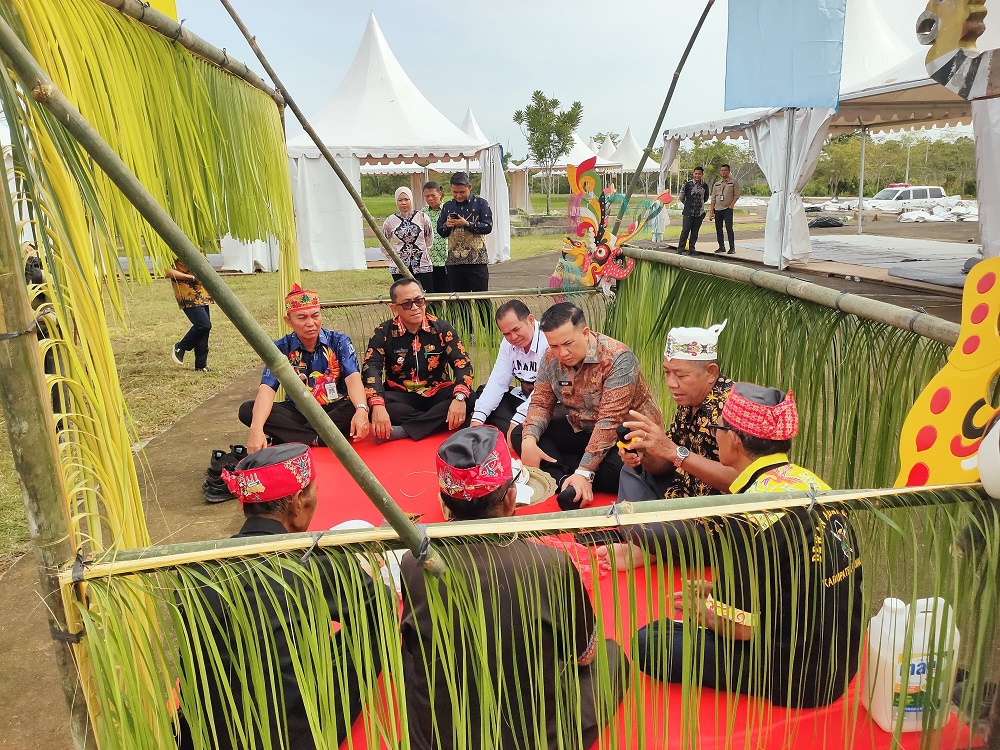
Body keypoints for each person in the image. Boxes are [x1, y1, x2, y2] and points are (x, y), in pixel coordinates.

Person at [617, 384, 863, 709]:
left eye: (717, 429)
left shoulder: (748, 516)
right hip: (839, 663)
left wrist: (702, 615)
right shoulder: (811, 482)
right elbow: (796, 576)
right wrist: (716, 591)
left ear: (733, 439)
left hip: (799, 677)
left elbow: (740, 630)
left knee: (652, 641)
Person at [399, 426, 628, 750]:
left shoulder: (414, 561)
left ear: (445, 503)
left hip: (441, 738)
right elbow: (584, 655)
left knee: (412, 657)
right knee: (612, 656)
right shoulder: (550, 565)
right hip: (532, 738)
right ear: (510, 498)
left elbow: (412, 645)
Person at [177, 444, 383, 749]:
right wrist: (361, 574)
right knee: (374, 628)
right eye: (312, 491)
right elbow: (378, 615)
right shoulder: (316, 566)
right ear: (297, 502)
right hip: (290, 734)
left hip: (211, 733)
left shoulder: (197, 571)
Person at [512, 302, 662, 506]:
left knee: (625, 469)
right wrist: (530, 440)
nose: (562, 353)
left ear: (584, 333)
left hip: (624, 438)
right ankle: (567, 481)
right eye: (554, 346)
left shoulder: (618, 358)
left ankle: (570, 476)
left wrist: (585, 471)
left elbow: (609, 421)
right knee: (520, 434)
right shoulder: (550, 358)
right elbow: (540, 403)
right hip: (582, 428)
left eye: (567, 343)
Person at [239, 284, 370, 452]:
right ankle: (318, 438)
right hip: (298, 411)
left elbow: (353, 379)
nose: (311, 323)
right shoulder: (280, 348)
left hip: (334, 409)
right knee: (247, 410)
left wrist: (361, 409)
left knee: (360, 403)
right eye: (302, 318)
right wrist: (256, 429)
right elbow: (267, 389)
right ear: (289, 321)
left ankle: (296, 435)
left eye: (315, 316)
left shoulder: (339, 341)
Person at [362, 278, 476, 441]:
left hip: (437, 392)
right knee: (375, 404)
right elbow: (371, 368)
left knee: (469, 397)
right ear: (394, 308)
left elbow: (462, 363)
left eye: (419, 301)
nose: (415, 307)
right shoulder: (383, 332)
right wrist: (378, 405)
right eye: (407, 303)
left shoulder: (442, 328)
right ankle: (437, 422)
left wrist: (459, 398)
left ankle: (406, 430)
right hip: (402, 395)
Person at [470, 300, 547, 440]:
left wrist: (517, 420)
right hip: (523, 399)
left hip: (546, 403)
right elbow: (498, 381)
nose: (513, 338)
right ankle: (513, 432)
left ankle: (514, 432)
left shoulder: (548, 341)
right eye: (506, 334)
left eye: (516, 330)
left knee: (522, 426)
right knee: (483, 393)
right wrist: (477, 419)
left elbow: (545, 392)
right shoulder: (507, 344)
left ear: (530, 319)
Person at [436, 171, 493, 294]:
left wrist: (467, 224)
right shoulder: (447, 206)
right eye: (455, 192)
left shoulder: (481, 204)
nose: (458, 195)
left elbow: (488, 227)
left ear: (470, 187)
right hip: (454, 262)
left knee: (481, 299)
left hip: (477, 261)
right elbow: (440, 230)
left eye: (462, 192)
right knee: (458, 301)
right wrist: (447, 225)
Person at [381, 186, 435, 291]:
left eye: (406, 199)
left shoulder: (422, 217)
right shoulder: (390, 221)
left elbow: (429, 239)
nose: (403, 203)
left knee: (425, 295)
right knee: (404, 295)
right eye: (400, 200)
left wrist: (422, 252)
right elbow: (383, 243)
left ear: (411, 199)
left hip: (422, 265)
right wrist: (394, 257)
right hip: (399, 267)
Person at [167, 259, 213, 372]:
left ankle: (201, 365)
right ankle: (180, 347)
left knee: (204, 329)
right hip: (186, 292)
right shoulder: (172, 248)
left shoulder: (196, 244)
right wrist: (191, 278)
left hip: (201, 291)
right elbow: (167, 271)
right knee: (203, 324)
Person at [421, 181, 450, 294]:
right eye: (427, 196)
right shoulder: (422, 214)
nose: (430, 198)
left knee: (448, 295)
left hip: (446, 260)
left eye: (433, 195)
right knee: (432, 295)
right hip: (430, 261)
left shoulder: (448, 210)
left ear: (440, 193)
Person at [677, 167, 710, 255]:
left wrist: (699, 204)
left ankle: (692, 249)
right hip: (688, 212)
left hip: (699, 213)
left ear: (702, 174)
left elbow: (706, 197)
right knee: (685, 231)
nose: (697, 175)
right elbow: (681, 196)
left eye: (699, 174)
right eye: (696, 174)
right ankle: (680, 249)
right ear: (693, 174)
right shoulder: (687, 184)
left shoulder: (705, 186)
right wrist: (688, 204)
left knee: (695, 232)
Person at [710, 164, 740, 255]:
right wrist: (711, 212)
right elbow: (713, 199)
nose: (723, 172)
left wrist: (731, 205)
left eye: (725, 170)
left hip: (727, 208)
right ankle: (721, 246)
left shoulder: (733, 182)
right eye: (722, 170)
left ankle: (732, 247)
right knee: (719, 229)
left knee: (729, 228)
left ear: (729, 171)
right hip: (718, 209)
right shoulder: (717, 184)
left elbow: (737, 195)